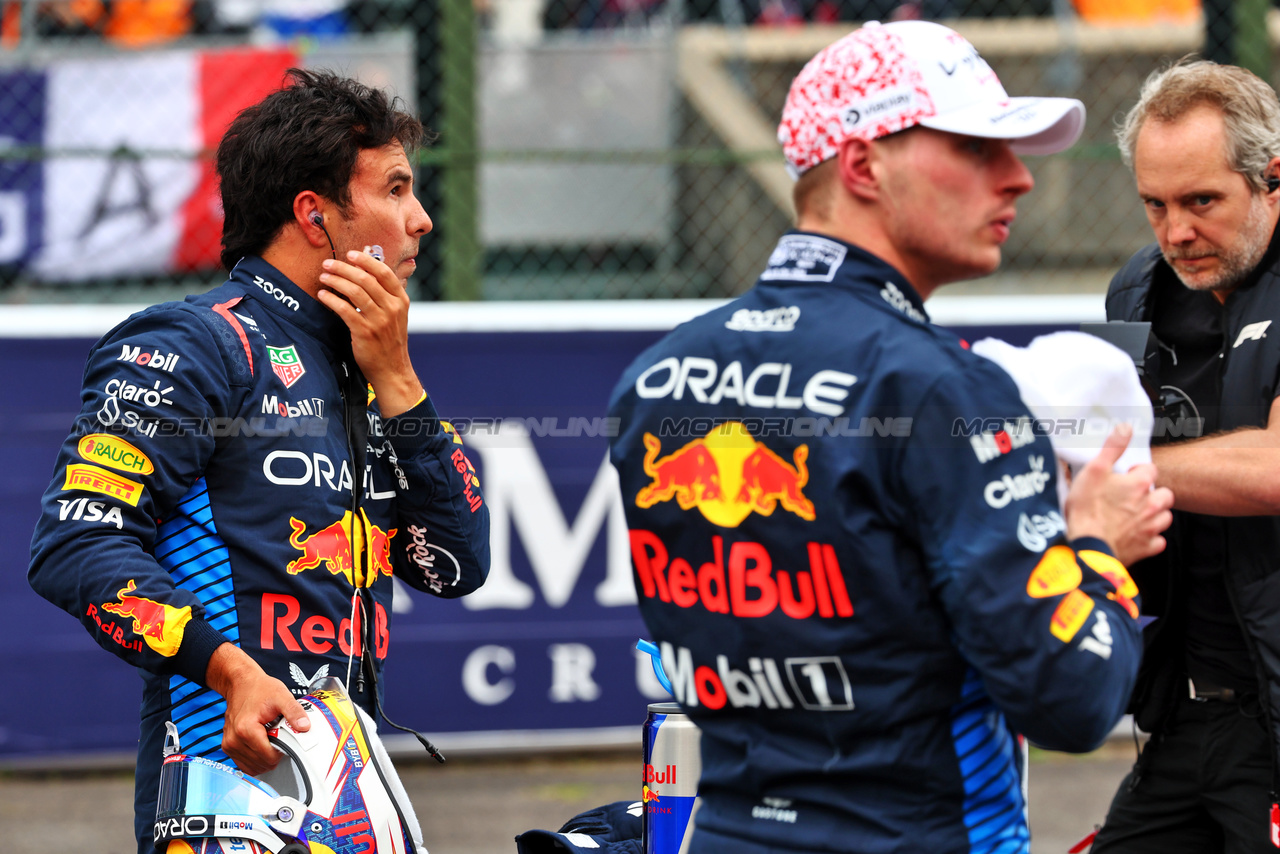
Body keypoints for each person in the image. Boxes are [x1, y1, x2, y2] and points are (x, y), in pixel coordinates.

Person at [607, 20, 1173, 854]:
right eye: (977, 149)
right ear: (864, 165)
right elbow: (1073, 700)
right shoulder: (944, 392)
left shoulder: (657, 377)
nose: (1017, 178)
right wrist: (1096, 548)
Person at [27, 68, 490, 854]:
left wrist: (399, 382)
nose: (422, 221)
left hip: (345, 791)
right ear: (315, 214)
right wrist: (229, 671)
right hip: (223, 793)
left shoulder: (366, 367)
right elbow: (75, 544)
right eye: (397, 189)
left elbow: (457, 565)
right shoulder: (192, 343)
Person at [1091, 60, 1280, 854]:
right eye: (1155, 205)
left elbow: (1274, 470)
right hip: (1179, 713)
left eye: (1202, 202)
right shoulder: (1134, 290)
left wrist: (1113, 473)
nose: (1176, 233)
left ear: (1273, 179)